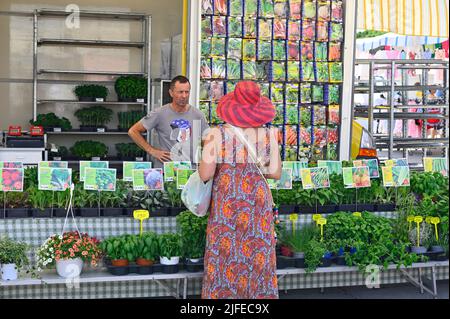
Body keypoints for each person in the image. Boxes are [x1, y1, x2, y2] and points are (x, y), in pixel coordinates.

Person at [198, 81, 282, 299]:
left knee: (224, 257)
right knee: (257, 256)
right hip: (257, 207)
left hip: (228, 207)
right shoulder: (269, 134)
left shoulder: (216, 134)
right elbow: (275, 172)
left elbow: (205, 174)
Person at [128, 75, 209, 168]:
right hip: (166, 172)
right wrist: (152, 151)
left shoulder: (198, 115)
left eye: (187, 92)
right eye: (180, 92)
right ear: (171, 93)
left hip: (191, 171)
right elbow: (133, 131)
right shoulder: (160, 113)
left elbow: (207, 141)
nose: (184, 96)